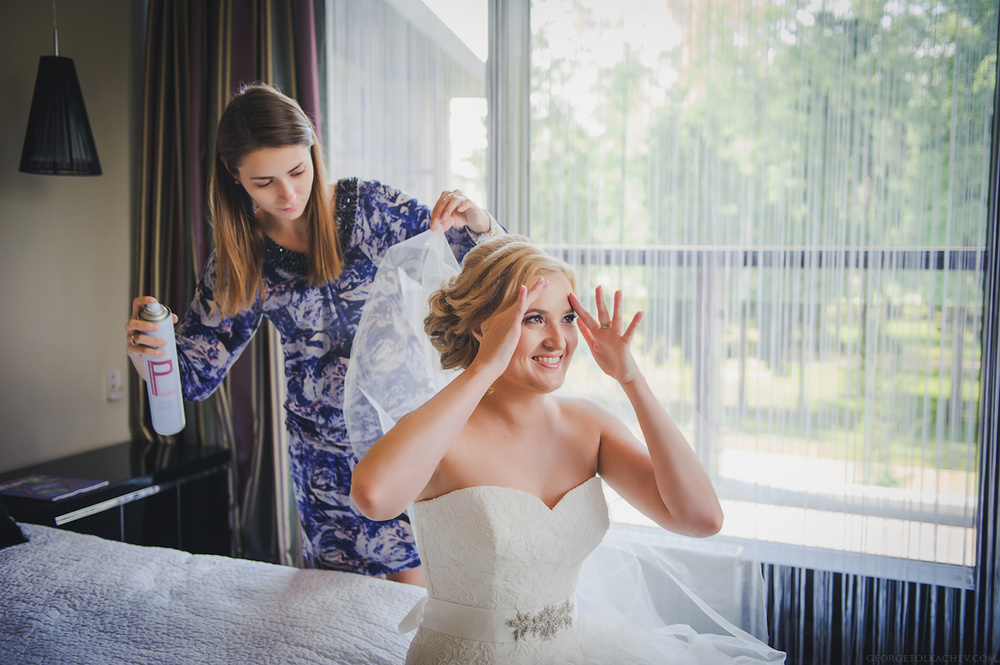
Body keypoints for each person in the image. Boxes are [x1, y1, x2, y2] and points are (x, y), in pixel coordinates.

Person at [124, 83, 501, 585]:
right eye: (264, 182)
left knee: (419, 605)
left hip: (401, 440)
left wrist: (478, 221)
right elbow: (191, 377)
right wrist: (150, 352)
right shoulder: (241, 258)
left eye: (298, 171)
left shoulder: (369, 208)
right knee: (336, 620)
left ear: (313, 153)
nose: (288, 194)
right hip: (322, 465)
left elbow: (487, 269)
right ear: (235, 179)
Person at [349, 233, 786, 663]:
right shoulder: (440, 434)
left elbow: (701, 519)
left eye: (568, 318)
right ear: (484, 327)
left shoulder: (588, 426)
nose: (559, 340)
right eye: (534, 318)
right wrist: (484, 368)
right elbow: (374, 498)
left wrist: (632, 380)